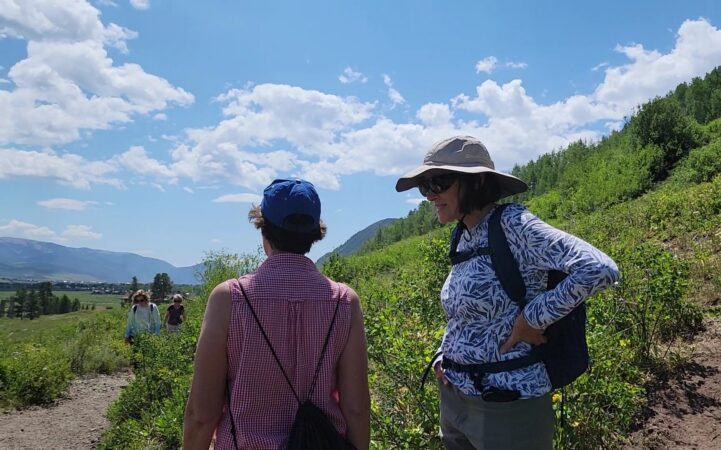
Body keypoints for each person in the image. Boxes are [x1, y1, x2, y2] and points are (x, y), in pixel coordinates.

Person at [395, 136, 620, 450]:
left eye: (440, 183)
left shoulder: (514, 225)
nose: (431, 196)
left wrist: (532, 319)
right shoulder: (463, 236)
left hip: (507, 403)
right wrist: (441, 355)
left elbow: (599, 268)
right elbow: (465, 313)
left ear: (475, 182)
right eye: (426, 186)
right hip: (456, 397)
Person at [183, 179, 370, 450]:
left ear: (264, 229)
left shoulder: (230, 299)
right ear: (315, 233)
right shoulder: (344, 301)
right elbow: (357, 409)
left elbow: (202, 415)